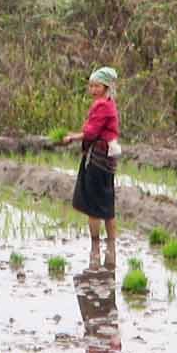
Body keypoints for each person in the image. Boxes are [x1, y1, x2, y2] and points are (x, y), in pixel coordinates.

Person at [62, 65, 119, 254]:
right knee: (107, 204)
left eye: (97, 86)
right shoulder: (110, 103)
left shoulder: (101, 105)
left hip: (96, 160)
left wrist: (72, 137)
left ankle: (95, 247)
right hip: (107, 160)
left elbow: (91, 132)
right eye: (91, 86)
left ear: (106, 87)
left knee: (93, 206)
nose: (93, 90)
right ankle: (112, 248)